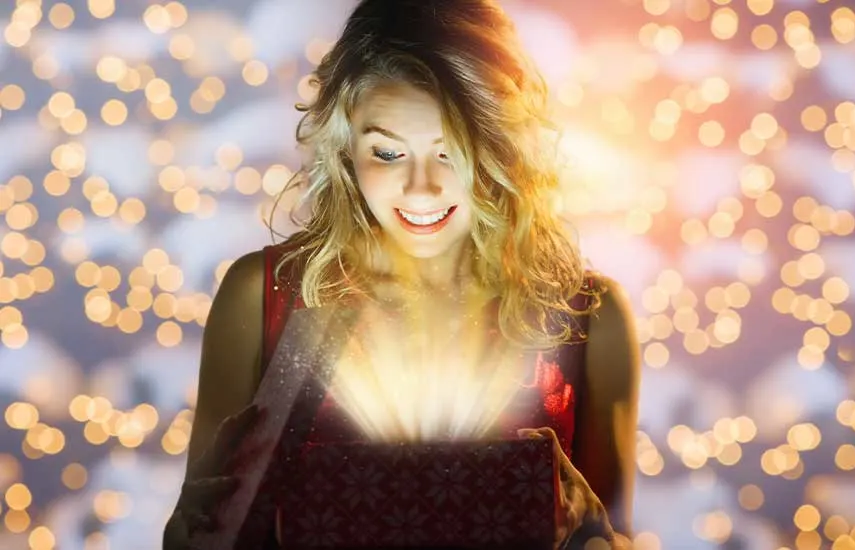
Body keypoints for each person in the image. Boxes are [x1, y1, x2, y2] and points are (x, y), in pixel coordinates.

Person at [163, 0, 640, 548]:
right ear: (345, 144)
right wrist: (192, 532)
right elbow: (200, 529)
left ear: (503, 144)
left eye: (451, 152)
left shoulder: (589, 319)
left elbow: (615, 534)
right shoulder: (262, 297)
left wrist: (594, 531)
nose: (420, 188)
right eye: (388, 153)